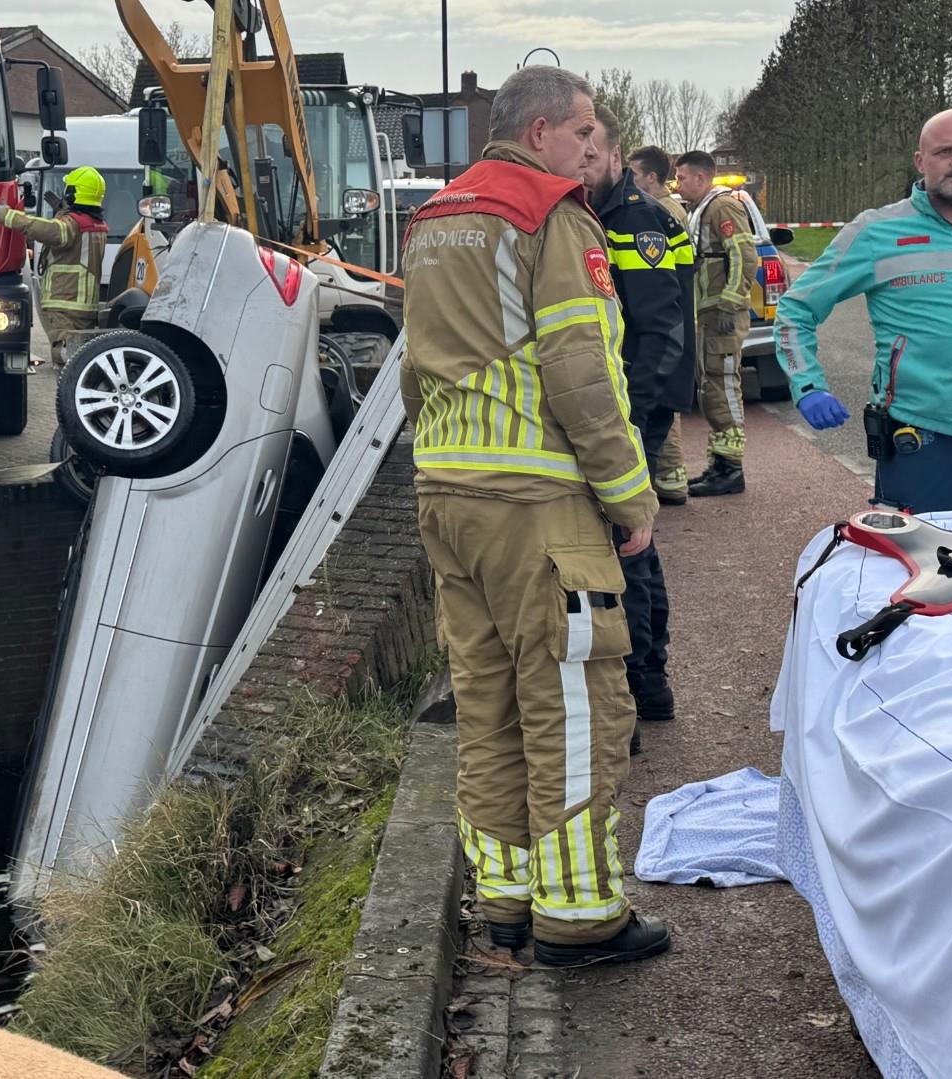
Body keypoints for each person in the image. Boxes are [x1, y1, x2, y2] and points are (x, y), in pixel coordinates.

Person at [398, 66, 669, 966]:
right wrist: (630, 495)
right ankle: (581, 916)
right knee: (574, 703)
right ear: (544, 129)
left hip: (449, 493)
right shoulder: (550, 216)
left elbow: (415, 368)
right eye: (585, 131)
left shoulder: (434, 220)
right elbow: (584, 372)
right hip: (538, 501)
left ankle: (507, 900)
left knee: (489, 703)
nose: (592, 149)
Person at [775, 108, 952, 512]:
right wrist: (808, 386)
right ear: (921, 162)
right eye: (945, 151)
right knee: (920, 570)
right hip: (920, 442)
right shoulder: (876, 232)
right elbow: (796, 310)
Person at [584, 106, 693, 749]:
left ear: (615, 156)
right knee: (630, 538)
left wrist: (634, 420)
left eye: (592, 153)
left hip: (636, 407)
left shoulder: (637, 220)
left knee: (630, 540)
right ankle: (645, 684)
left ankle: (643, 677)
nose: (583, 163)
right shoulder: (596, 213)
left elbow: (659, 331)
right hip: (624, 405)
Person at [675, 149, 758, 497]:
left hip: (719, 313)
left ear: (701, 178)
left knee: (722, 386)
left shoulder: (722, 207)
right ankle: (720, 465)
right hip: (707, 313)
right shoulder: (701, 209)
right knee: (711, 387)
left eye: (682, 178)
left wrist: (730, 302)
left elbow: (744, 253)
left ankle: (730, 469)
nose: (678, 184)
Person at [627, 146, 697, 506]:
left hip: (672, 325)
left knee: (662, 410)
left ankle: (669, 481)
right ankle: (671, 478)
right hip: (677, 322)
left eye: (635, 174)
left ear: (650, 177)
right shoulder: (666, 210)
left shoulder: (659, 213)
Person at [0, 167, 108, 367]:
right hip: (84, 303)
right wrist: (62, 211)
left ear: (72, 193)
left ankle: (73, 385)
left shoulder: (72, 224)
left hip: (65, 301)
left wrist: (7, 216)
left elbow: (47, 230)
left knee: (65, 353)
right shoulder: (96, 224)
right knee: (82, 349)